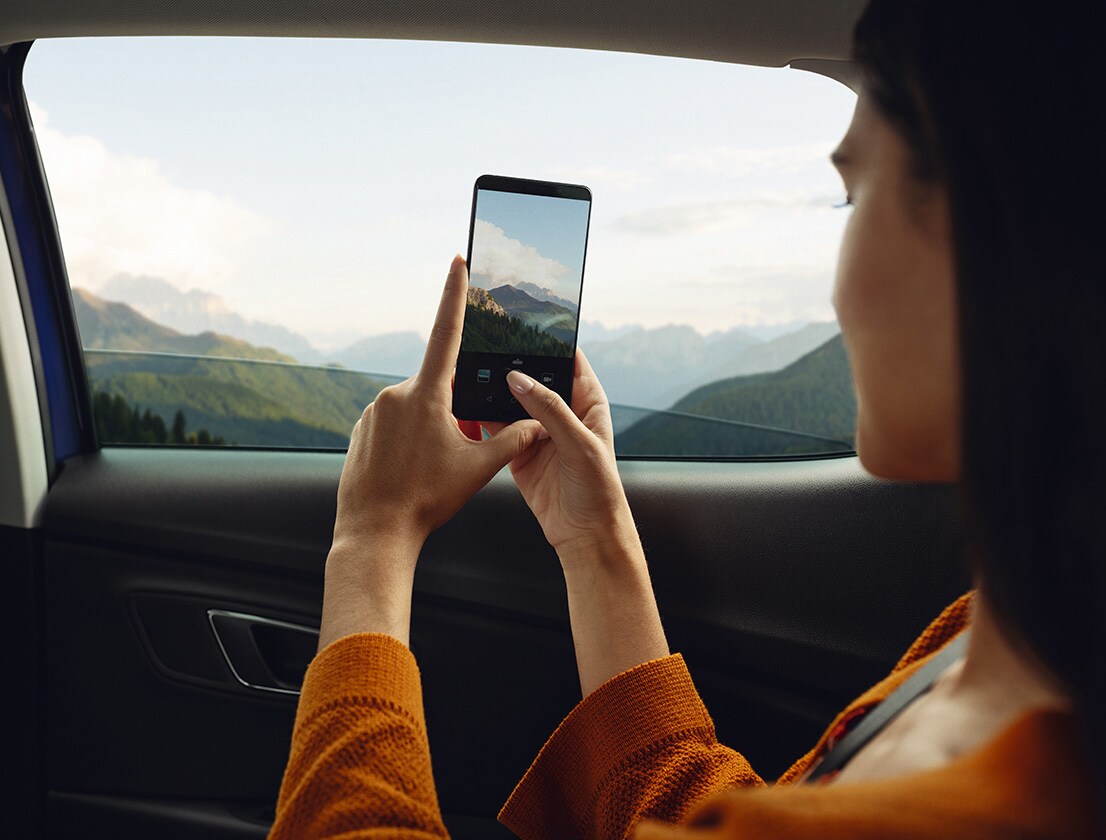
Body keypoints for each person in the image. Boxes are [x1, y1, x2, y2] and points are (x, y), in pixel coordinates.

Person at [268, 0, 1105, 836]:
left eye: (851, 199)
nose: (834, 290)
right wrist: (594, 543)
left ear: (998, 231)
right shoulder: (1002, 641)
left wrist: (371, 541)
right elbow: (693, 816)